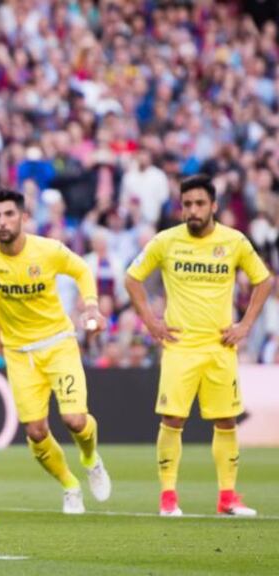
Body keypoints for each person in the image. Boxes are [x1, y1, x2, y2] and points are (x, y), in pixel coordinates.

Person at [0, 188, 112, 514]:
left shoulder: (48, 250)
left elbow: (82, 270)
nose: (2, 221)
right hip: (18, 354)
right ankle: (70, 486)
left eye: (9, 214)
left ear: (24, 218)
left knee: (74, 419)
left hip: (58, 343)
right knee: (35, 431)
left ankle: (90, 459)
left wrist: (92, 307)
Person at [125, 174, 274, 517]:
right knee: (173, 418)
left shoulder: (234, 241)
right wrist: (150, 321)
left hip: (220, 347)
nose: (192, 210)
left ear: (214, 206)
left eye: (199, 204)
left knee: (226, 421)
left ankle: (227, 498)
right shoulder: (166, 241)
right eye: (187, 204)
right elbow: (132, 278)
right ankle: (168, 498)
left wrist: (246, 325)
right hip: (180, 346)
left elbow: (264, 280)